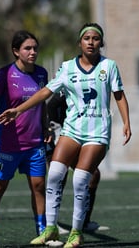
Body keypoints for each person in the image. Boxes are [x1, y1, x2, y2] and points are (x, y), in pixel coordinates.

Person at [0, 23, 132, 248]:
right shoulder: (68, 67)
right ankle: (50, 230)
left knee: (80, 180)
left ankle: (76, 233)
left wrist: (127, 122)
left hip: (97, 133)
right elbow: (45, 92)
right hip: (71, 130)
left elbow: (119, 95)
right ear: (79, 43)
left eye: (96, 38)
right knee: (55, 174)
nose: (91, 41)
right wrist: (18, 110)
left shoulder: (109, 66)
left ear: (101, 43)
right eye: (86, 38)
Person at [0, 30, 51, 244]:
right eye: (27, 48)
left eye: (35, 48)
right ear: (16, 51)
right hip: (7, 145)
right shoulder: (4, 74)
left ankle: (43, 231)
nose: (33, 52)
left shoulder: (41, 74)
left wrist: (46, 128)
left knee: (39, 186)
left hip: (34, 144)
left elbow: (42, 105)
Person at [46, 91, 102, 232]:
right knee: (58, 177)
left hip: (75, 135)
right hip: (58, 137)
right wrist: (55, 129)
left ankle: (84, 222)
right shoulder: (72, 80)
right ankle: (50, 225)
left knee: (93, 175)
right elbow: (51, 105)